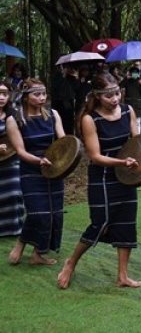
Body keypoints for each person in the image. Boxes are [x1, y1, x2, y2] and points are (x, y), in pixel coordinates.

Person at [56, 73, 141, 289]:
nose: (115, 99)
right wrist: (122, 162)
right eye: (109, 95)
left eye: (117, 93)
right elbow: (95, 156)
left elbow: (138, 142)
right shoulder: (89, 119)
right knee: (101, 223)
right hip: (102, 176)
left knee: (126, 223)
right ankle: (70, 262)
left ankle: (122, 276)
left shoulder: (127, 111)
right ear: (96, 96)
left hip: (126, 175)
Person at [6, 79, 67, 266]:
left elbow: (64, 141)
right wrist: (39, 161)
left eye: (43, 94)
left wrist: (67, 158)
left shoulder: (53, 115)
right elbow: (21, 151)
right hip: (31, 170)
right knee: (38, 213)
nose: (42, 98)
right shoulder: (14, 119)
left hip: (54, 169)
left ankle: (38, 254)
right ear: (26, 97)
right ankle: (21, 243)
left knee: (54, 214)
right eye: (36, 94)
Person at [0, 80, 23, 237]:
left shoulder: (14, 115)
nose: (1, 97)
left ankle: (15, 229)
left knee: (14, 194)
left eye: (4, 94)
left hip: (12, 162)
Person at [50, 65, 79, 135]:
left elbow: (76, 88)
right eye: (65, 67)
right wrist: (62, 75)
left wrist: (76, 77)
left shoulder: (71, 77)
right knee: (60, 121)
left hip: (69, 102)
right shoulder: (57, 76)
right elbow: (55, 88)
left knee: (69, 122)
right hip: (59, 102)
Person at [120, 66, 141, 133]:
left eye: (136, 73)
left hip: (137, 104)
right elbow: (120, 85)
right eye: (133, 73)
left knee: (138, 122)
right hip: (129, 103)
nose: (134, 74)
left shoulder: (140, 81)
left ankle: (137, 136)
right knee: (128, 121)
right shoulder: (127, 81)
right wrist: (126, 78)